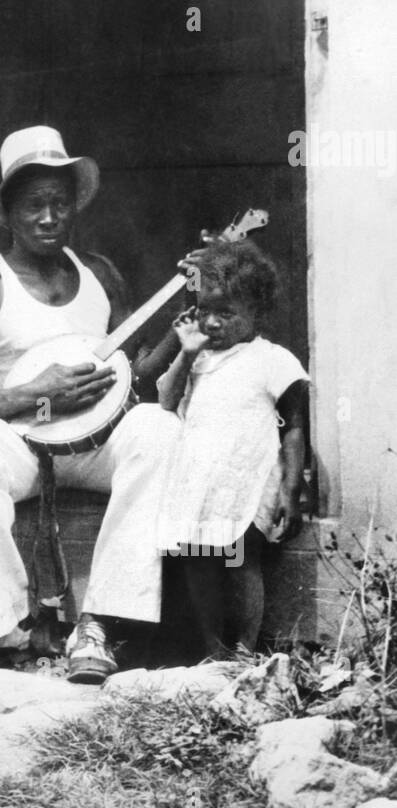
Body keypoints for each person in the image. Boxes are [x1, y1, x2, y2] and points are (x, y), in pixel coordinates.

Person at [0, 126, 181, 683]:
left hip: (95, 447)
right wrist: (33, 395)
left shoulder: (101, 277)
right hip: (20, 447)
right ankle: (4, 626)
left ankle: (100, 624)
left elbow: (139, 380)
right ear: (6, 213)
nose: (48, 217)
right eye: (33, 205)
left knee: (158, 428)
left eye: (60, 203)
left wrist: (184, 328)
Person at [156, 240, 308, 657]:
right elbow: (166, 402)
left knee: (241, 560)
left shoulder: (273, 359)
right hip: (198, 481)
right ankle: (213, 651)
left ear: (257, 312)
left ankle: (244, 649)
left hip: (245, 479)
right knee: (198, 560)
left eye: (227, 313)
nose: (213, 323)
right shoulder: (198, 358)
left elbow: (294, 428)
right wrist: (185, 353)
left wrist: (291, 491)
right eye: (205, 311)